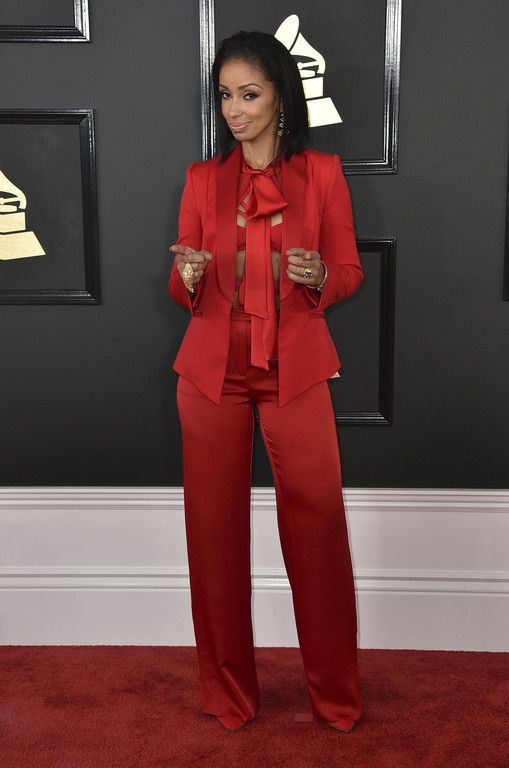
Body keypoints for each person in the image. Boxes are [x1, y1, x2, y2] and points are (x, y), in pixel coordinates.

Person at [168, 30, 364, 733]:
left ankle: (335, 696)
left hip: (295, 368)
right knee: (213, 533)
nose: (234, 110)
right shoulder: (201, 180)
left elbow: (348, 270)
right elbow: (180, 285)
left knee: (318, 523)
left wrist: (319, 276)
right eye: (225, 95)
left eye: (248, 94)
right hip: (211, 375)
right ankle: (228, 694)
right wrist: (188, 274)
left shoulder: (322, 174)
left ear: (281, 96)